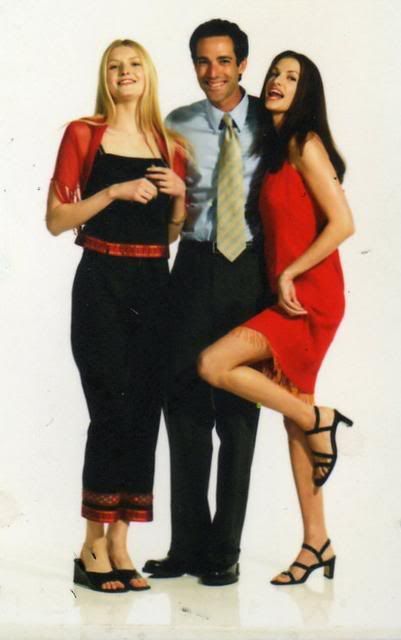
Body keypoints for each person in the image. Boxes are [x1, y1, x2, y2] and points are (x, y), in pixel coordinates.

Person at [197, 51, 355, 585]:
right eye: (274, 74)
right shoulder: (273, 146)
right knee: (293, 418)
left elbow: (343, 223)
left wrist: (291, 273)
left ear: (306, 92)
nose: (278, 82)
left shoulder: (306, 144)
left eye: (292, 77)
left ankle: (319, 419)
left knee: (215, 364)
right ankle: (317, 541)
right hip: (286, 294)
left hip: (310, 295)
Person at [46, 38, 186, 593]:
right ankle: (91, 544)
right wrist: (113, 192)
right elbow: (56, 219)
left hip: (155, 283)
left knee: (144, 410)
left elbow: (170, 234)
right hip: (101, 281)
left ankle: (121, 542)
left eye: (133, 65)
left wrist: (180, 196)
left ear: (148, 74)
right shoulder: (84, 133)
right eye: (114, 66)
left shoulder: (171, 145)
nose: (125, 72)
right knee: (109, 408)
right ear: (105, 77)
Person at [142, 19, 269, 587]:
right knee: (184, 407)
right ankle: (187, 546)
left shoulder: (272, 121)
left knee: (238, 415)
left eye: (223, 61)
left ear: (243, 64)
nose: (212, 72)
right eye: (202, 60)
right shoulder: (177, 124)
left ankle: (225, 550)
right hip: (192, 268)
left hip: (251, 272)